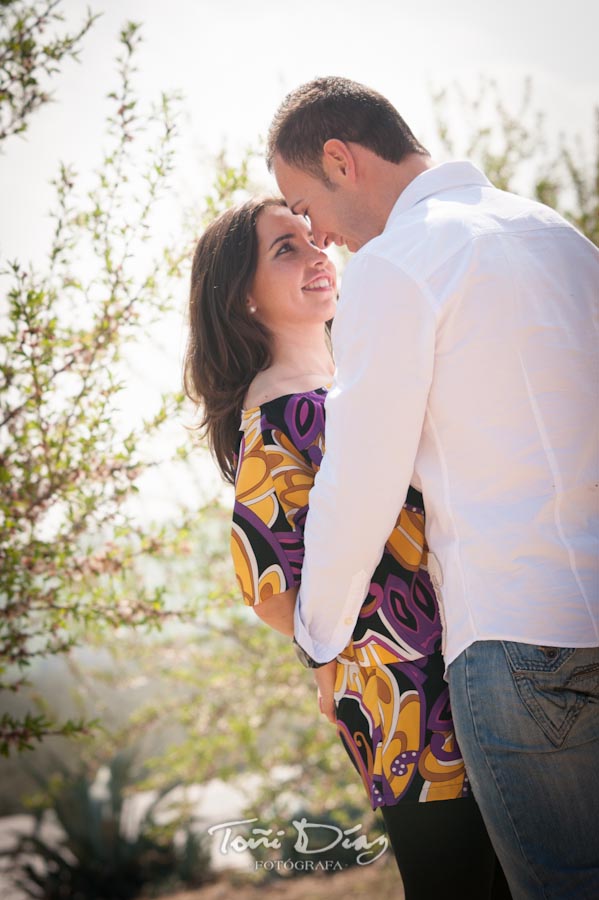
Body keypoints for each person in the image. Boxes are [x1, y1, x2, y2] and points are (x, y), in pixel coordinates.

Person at [265, 76, 599, 899]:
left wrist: (318, 633)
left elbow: (359, 480)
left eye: (304, 205)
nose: (319, 235)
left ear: (341, 160)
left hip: (522, 647)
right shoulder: (559, 235)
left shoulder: (395, 266)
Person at [183, 197, 511, 898]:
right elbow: (267, 588)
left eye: (312, 241)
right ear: (241, 298)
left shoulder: (344, 388)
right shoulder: (277, 414)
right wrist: (332, 662)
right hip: (400, 694)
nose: (316, 256)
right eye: (285, 250)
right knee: (457, 882)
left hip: (468, 658)